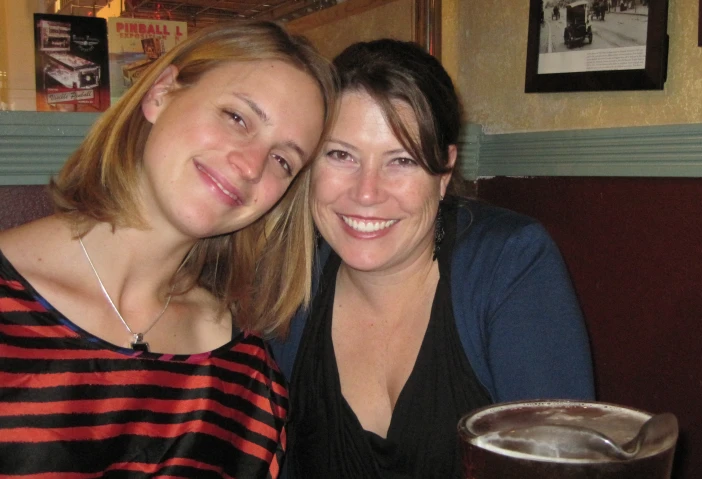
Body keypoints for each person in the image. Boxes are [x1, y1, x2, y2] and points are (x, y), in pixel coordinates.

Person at [0, 20, 336, 478]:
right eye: (237, 117)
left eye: (283, 159)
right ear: (161, 93)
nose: (251, 165)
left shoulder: (247, 371)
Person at [273, 39, 594, 479]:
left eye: (401, 160)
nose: (366, 193)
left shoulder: (511, 264)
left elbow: (561, 468)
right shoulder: (286, 282)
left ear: (444, 173)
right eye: (341, 155)